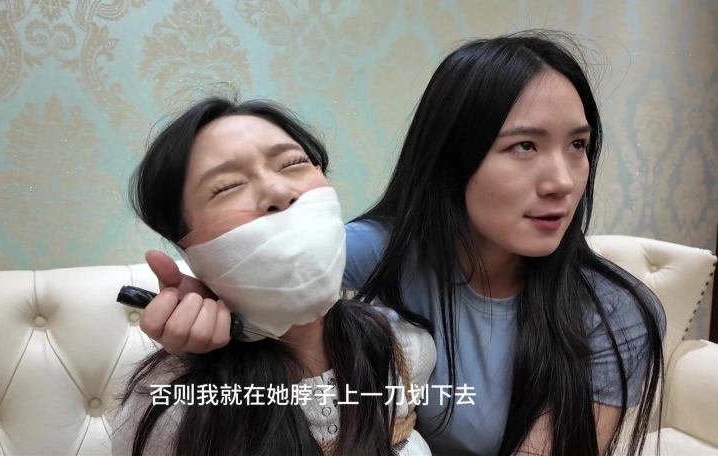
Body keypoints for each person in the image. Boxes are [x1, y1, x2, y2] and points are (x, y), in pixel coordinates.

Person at [136, 30, 667, 456]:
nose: (563, 181)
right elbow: (266, 259)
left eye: (579, 145)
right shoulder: (383, 252)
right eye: (524, 145)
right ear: (450, 157)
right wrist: (207, 308)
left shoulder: (614, 311)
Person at [110, 97, 437, 456]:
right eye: (227, 186)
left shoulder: (404, 347)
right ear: (186, 247)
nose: (279, 192)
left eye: (293, 163)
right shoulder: (174, 410)